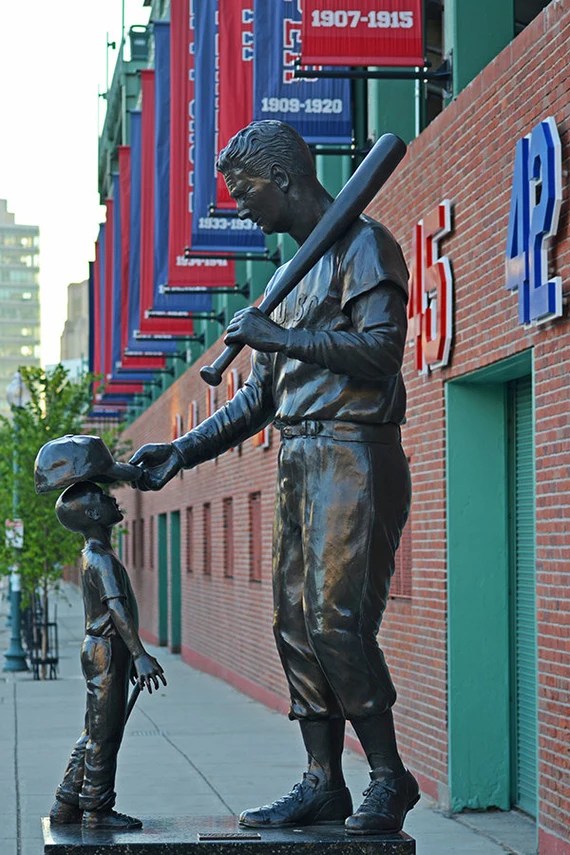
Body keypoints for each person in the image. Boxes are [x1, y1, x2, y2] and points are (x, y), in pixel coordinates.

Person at [130, 119, 418, 835]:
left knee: (336, 623)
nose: (241, 207)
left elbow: (383, 352)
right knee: (295, 624)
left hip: (355, 451)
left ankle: (391, 777)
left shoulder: (362, 245)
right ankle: (323, 781)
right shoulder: (285, 281)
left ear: (283, 179)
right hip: (297, 458)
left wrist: (280, 337)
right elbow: (259, 399)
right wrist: (181, 452)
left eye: (245, 191)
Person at [48, 481, 166, 831]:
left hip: (106, 650)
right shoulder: (100, 559)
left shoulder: (96, 554)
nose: (113, 499)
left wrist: (128, 656)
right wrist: (139, 654)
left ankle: (66, 802)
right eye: (103, 498)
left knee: (95, 730)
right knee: (106, 735)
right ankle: (97, 810)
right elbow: (117, 609)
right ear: (94, 514)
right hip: (105, 649)